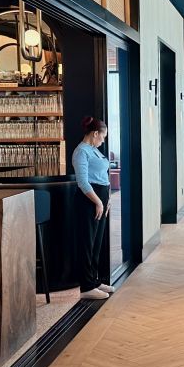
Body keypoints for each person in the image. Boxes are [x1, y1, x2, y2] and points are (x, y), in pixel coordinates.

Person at [73, 115, 113, 300]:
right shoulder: (82, 151)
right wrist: (97, 201)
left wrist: (108, 199)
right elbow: (82, 181)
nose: (103, 140)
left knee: (97, 243)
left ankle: (94, 280)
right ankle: (86, 286)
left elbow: (104, 175)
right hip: (89, 200)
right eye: (102, 137)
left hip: (101, 198)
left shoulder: (94, 150)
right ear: (95, 133)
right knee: (87, 243)